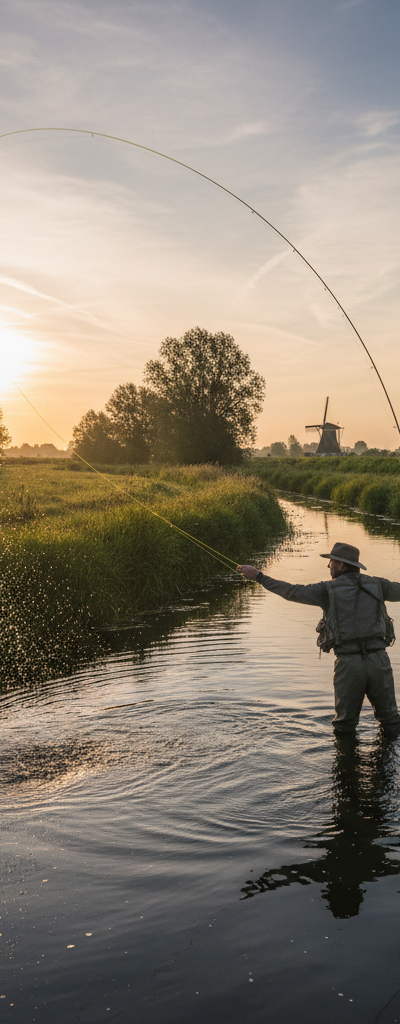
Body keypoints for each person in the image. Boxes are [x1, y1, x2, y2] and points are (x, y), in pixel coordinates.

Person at [237, 542, 400, 736]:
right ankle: (389, 765)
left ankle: (346, 764)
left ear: (341, 565)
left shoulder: (326, 590)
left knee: (344, 727)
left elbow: (291, 591)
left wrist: (259, 576)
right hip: (379, 661)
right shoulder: (380, 585)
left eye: (331, 562)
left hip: (348, 664)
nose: (329, 566)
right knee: (391, 723)